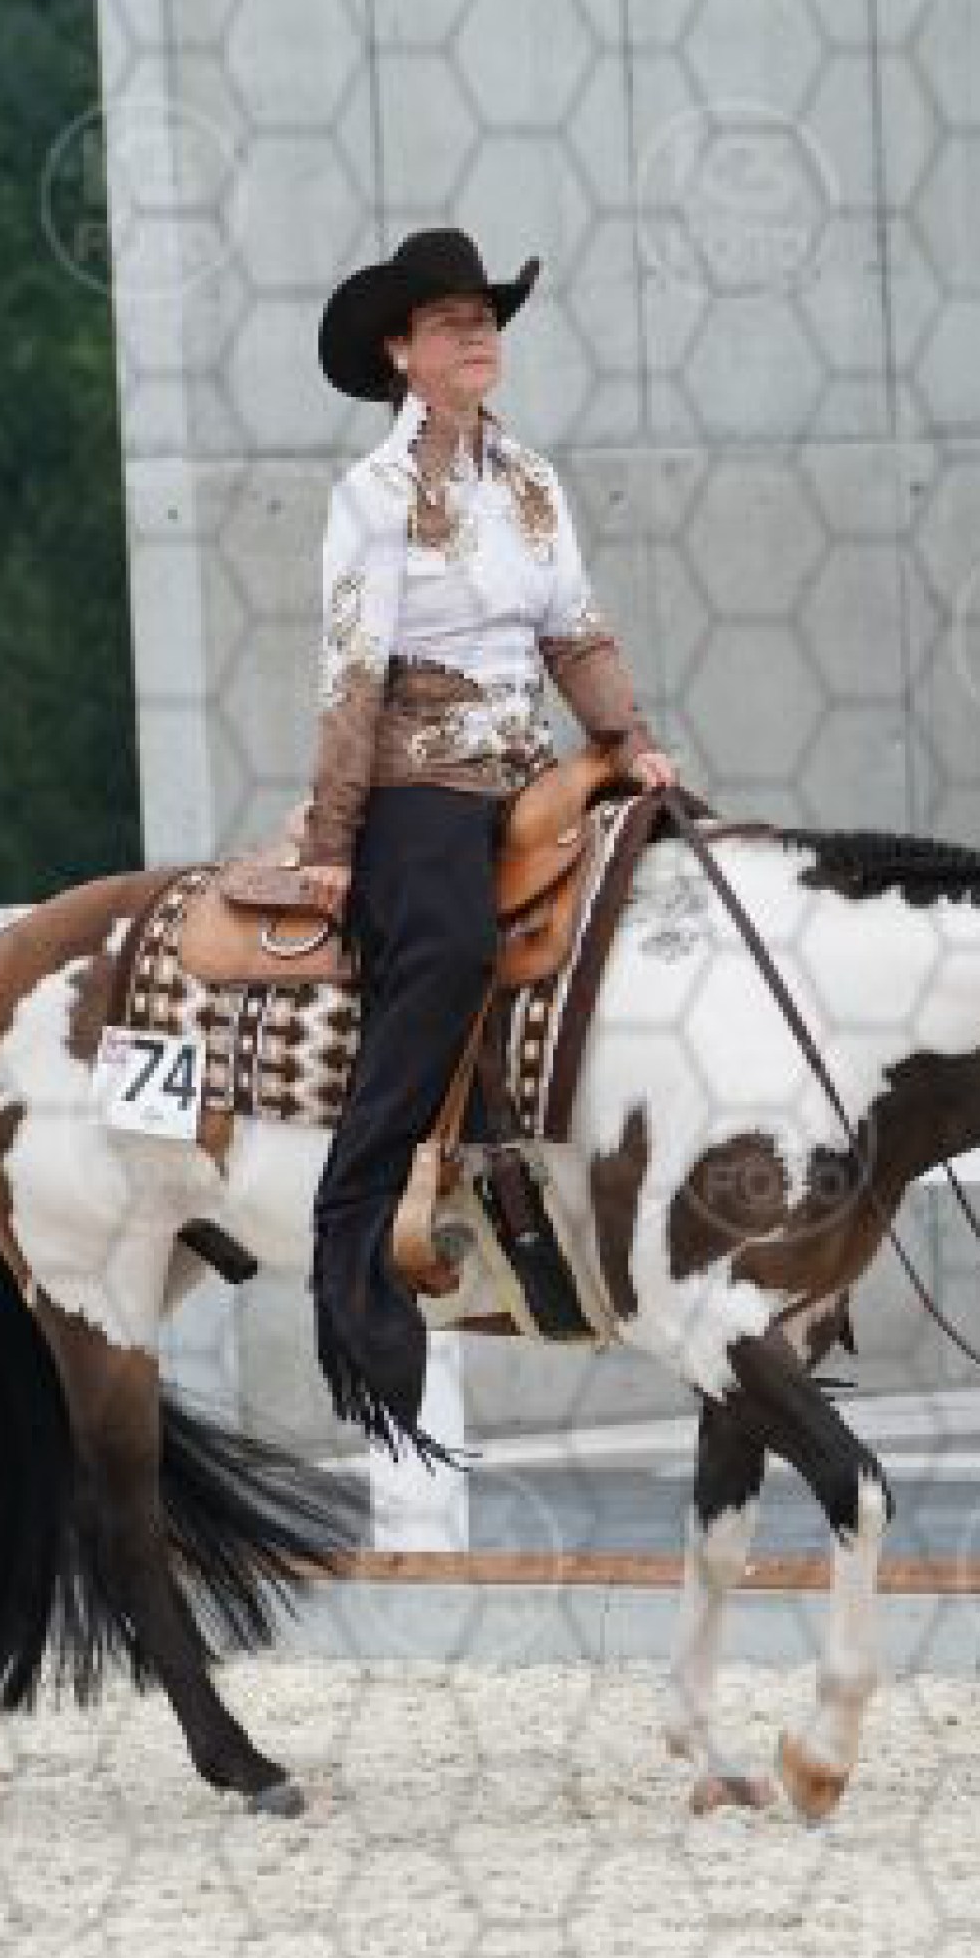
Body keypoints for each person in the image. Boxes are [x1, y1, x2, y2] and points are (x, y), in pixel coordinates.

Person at [294, 225, 679, 1464]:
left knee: (673, 879)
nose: (477, 336)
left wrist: (629, 739)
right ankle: (353, 1225)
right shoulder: (370, 496)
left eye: (485, 318)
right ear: (399, 351)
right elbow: (351, 676)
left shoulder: (530, 481)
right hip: (421, 773)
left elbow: (574, 631)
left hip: (530, 767)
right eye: (449, 321)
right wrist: (334, 835)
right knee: (451, 946)